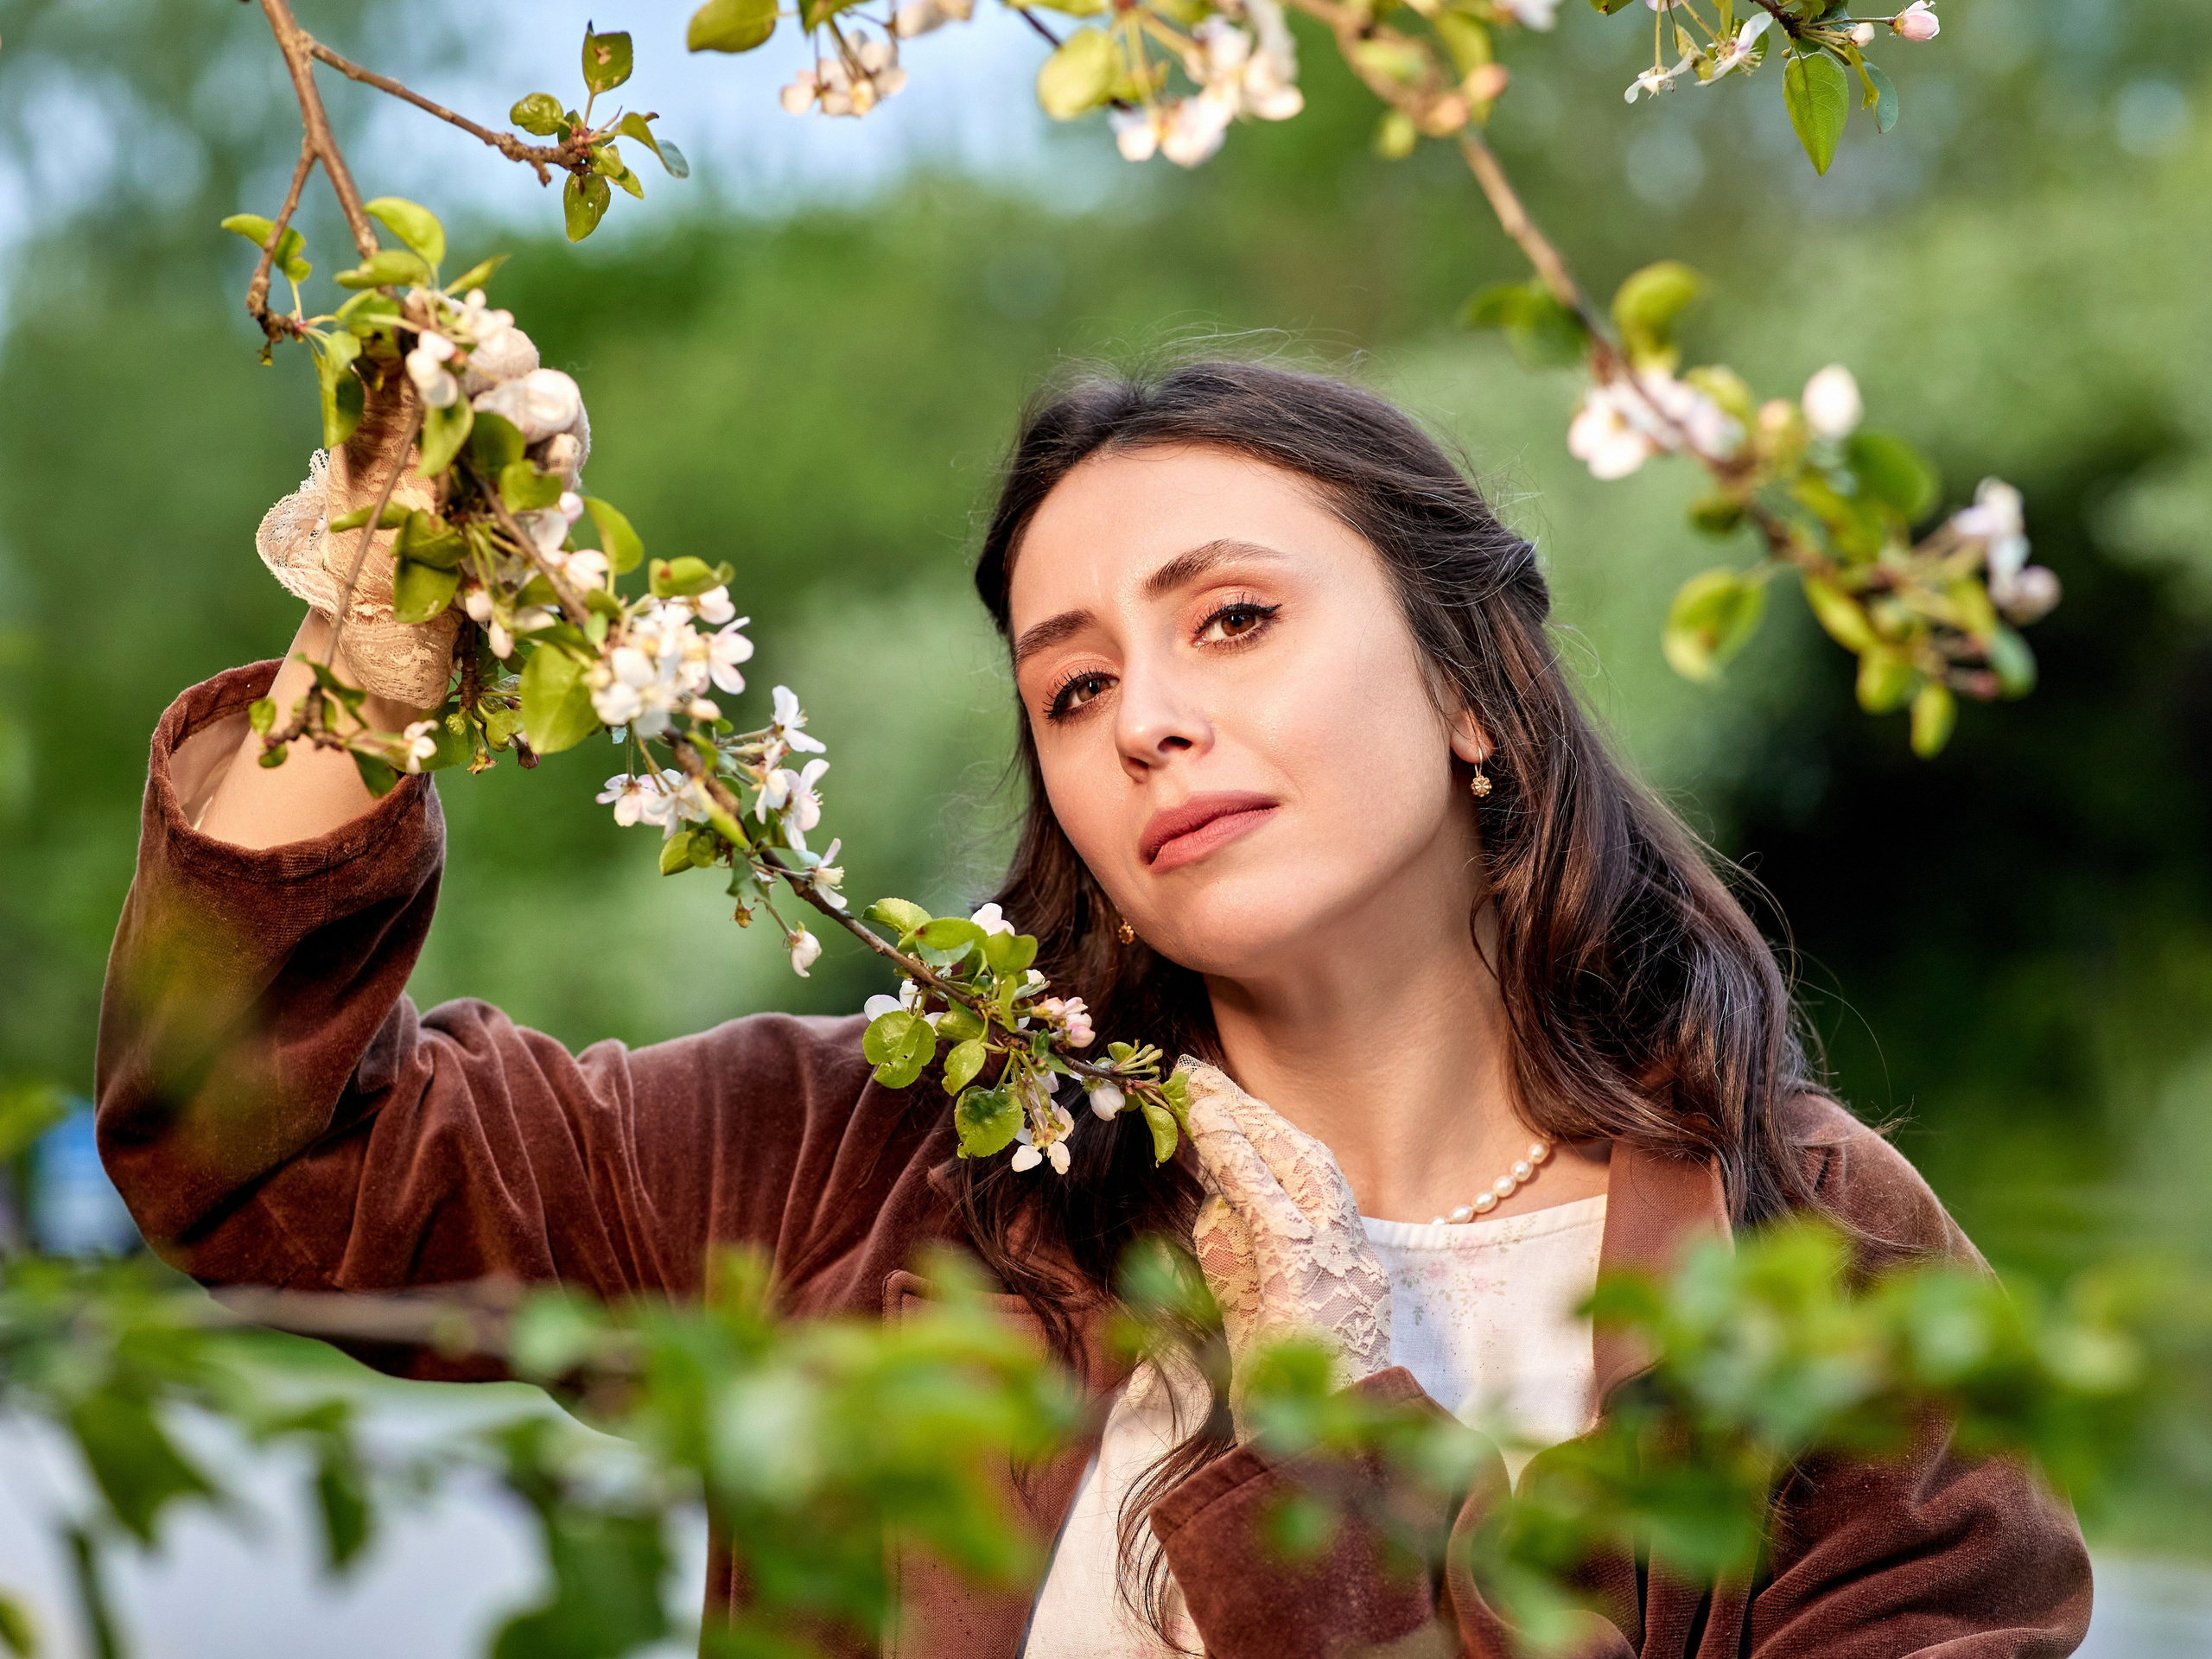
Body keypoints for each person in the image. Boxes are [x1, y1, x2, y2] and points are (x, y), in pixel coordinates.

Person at [97, 357, 2091, 1658]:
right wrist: (366, 661)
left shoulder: (1808, 1265)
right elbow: (265, 1157)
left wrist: (1316, 1414)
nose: (1145, 718)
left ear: (1468, 691)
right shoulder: (876, 1166)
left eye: (1232, 617)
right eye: (1071, 686)